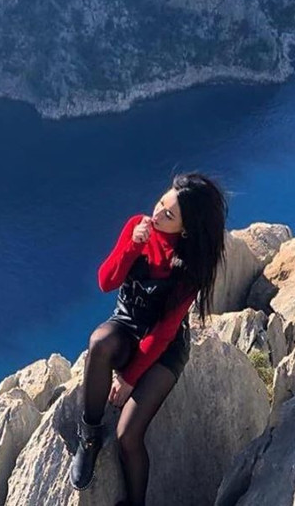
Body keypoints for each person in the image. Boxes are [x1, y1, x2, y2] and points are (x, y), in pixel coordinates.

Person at [68, 172, 229, 504]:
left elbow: (164, 332)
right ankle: (90, 437)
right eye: (160, 203)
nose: (157, 215)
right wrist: (132, 245)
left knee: (129, 435)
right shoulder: (137, 227)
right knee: (100, 342)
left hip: (165, 349)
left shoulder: (190, 267)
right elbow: (105, 281)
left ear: (185, 229)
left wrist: (129, 378)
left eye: (168, 215)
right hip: (127, 322)